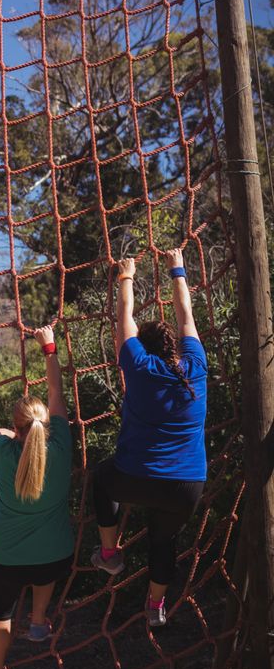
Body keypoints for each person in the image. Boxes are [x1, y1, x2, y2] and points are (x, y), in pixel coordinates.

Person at [90, 249, 208, 627]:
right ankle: (155, 606)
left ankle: (110, 554)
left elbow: (123, 317)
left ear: (143, 346)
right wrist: (177, 266)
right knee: (163, 540)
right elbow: (185, 314)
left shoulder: (138, 366)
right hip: (187, 486)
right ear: (174, 345)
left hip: (134, 479)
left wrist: (127, 274)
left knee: (100, 480)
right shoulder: (196, 367)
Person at [0, 325, 73, 669]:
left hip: (8, 558)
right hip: (56, 557)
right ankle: (40, 621)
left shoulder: (5, 451)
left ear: (17, 428)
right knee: (46, 566)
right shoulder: (62, 445)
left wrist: (6, 436)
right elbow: (58, 392)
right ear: (47, 425)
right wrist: (49, 345)